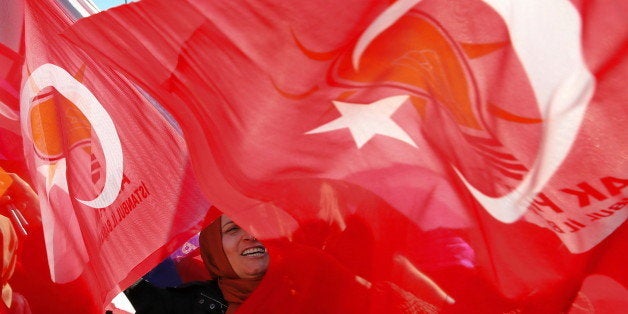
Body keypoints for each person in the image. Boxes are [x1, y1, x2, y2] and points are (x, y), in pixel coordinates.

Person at [125, 214, 269, 314]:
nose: (251, 235)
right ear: (214, 247)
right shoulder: (187, 304)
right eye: (233, 229)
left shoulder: (291, 289)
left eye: (256, 224)